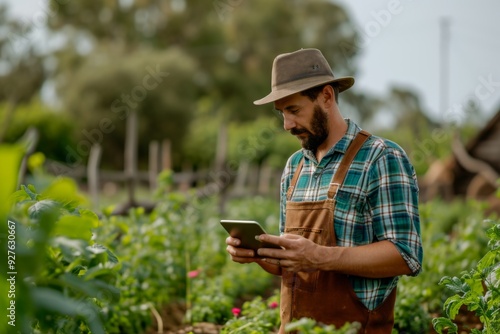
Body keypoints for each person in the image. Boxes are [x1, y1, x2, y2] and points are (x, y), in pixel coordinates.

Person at [225, 48, 423, 334]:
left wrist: (321, 256)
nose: (287, 125)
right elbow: (293, 265)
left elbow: (406, 255)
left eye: (294, 110)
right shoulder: (295, 167)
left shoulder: (381, 158)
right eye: (281, 113)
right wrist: (258, 254)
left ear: (327, 97)